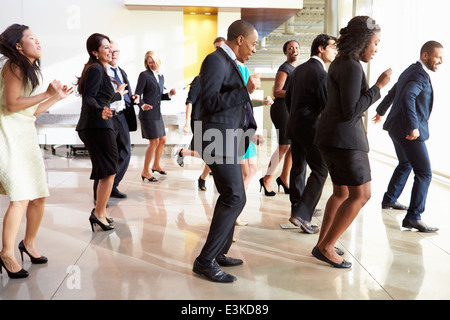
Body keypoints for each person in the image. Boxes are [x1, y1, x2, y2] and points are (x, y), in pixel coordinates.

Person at [313, 16, 392, 268]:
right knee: (362, 195)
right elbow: (351, 110)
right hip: (345, 140)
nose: (376, 49)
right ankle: (326, 246)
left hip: (332, 137)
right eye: (375, 43)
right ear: (363, 40)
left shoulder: (340, 63)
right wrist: (379, 86)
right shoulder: (351, 66)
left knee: (341, 193)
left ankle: (322, 243)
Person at [0, 24, 73, 278]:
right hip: (8, 137)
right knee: (20, 196)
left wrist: (55, 98)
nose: (37, 41)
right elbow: (11, 105)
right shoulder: (14, 66)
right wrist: (46, 93)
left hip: (25, 137)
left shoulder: (30, 69)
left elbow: (30, 111)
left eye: (37, 37)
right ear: (19, 46)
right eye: (31, 38)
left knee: (39, 195)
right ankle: (7, 253)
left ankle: (28, 243)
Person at [192, 20, 261, 282]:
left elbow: (227, 101)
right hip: (216, 138)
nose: (254, 50)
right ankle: (205, 260)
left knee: (232, 195)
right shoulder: (216, 60)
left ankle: (219, 252)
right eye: (253, 44)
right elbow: (209, 102)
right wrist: (246, 91)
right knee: (235, 196)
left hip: (225, 137)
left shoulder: (226, 61)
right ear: (240, 40)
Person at [373, 41, 443, 233]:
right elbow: (407, 96)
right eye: (437, 56)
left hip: (395, 128)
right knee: (425, 172)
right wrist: (414, 127)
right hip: (407, 131)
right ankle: (413, 217)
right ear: (425, 56)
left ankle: (390, 199)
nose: (441, 61)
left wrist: (380, 111)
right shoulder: (419, 74)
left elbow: (394, 91)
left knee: (405, 163)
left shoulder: (410, 70)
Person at [285, 34, 337, 234]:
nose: (335, 52)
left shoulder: (298, 70)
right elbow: (326, 105)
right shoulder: (320, 74)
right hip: (310, 129)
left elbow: (289, 99)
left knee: (298, 168)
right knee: (321, 170)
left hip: (295, 126)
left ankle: (297, 208)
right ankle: (302, 214)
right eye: (333, 47)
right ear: (321, 49)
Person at [76, 33, 127, 232]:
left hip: (97, 124)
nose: (110, 50)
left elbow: (99, 95)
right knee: (108, 171)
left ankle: (102, 212)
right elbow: (89, 98)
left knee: (107, 170)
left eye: (110, 47)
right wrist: (100, 110)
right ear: (95, 52)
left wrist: (117, 94)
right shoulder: (96, 69)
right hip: (97, 125)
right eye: (105, 48)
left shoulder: (98, 69)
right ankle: (98, 214)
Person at [176, 37, 225, 191]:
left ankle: (202, 176)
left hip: (213, 119)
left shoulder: (219, 80)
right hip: (198, 119)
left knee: (212, 151)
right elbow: (190, 101)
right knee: (207, 153)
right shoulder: (198, 80)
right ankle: (183, 153)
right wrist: (186, 122)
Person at [93, 40, 139, 201]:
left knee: (125, 153)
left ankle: (112, 186)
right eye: (111, 51)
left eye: (116, 52)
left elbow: (125, 93)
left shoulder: (121, 71)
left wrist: (133, 99)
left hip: (122, 116)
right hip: (108, 116)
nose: (113, 54)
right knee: (106, 157)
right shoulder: (100, 71)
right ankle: (99, 194)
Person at [260, 40, 299, 196]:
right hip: (281, 109)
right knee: (284, 146)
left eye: (296, 48)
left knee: (293, 146)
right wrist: (297, 93)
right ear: (285, 52)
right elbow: (277, 91)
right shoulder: (285, 68)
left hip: (290, 109)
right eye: (290, 48)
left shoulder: (296, 69)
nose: (293, 50)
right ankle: (267, 179)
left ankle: (283, 178)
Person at [136, 51, 176, 182]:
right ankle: (145, 171)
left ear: (158, 61)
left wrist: (169, 94)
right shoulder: (144, 75)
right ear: (146, 63)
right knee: (154, 142)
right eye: (149, 62)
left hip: (157, 114)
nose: (152, 64)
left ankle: (156, 165)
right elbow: (137, 95)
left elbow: (159, 96)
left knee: (163, 140)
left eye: (153, 61)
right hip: (147, 114)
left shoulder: (160, 76)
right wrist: (142, 105)